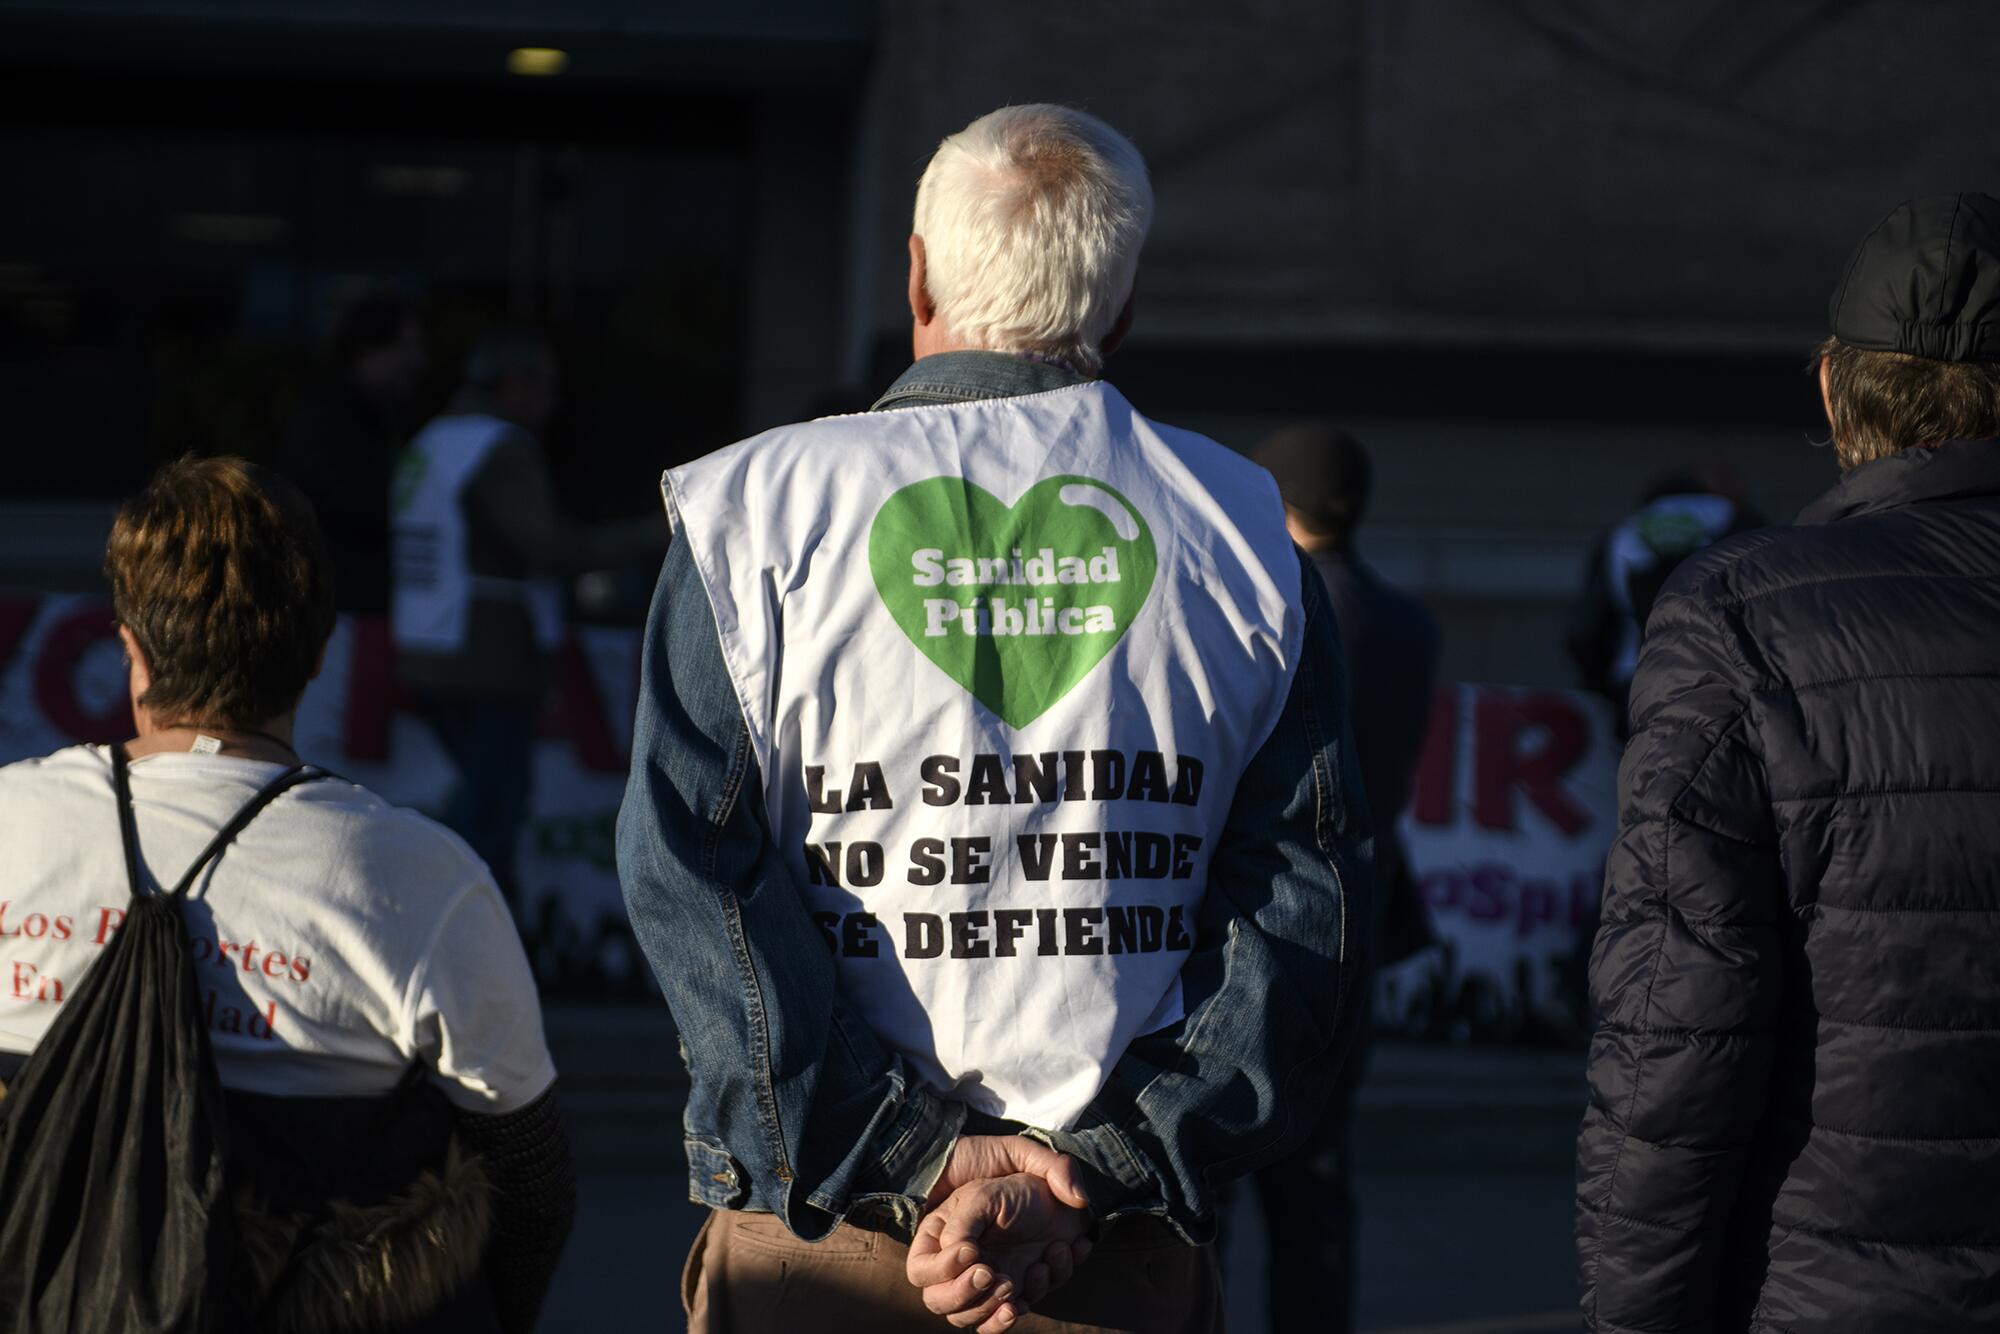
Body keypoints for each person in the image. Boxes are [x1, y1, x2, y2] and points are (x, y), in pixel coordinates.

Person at [618, 103, 1372, 1334]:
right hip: (1103, 1255)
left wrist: (904, 1149)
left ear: (912, 273)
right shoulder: (1242, 528)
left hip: (817, 1246)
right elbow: (1301, 893)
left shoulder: (746, 512)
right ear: (1118, 310)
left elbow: (687, 869)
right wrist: (1110, 1163)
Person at [0, 456, 574, 1331]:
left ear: (131, 650)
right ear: (318, 654)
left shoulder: (12, 819)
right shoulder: (422, 875)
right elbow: (529, 1176)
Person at [1576, 192, 2000, 1332]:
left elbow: (1678, 1024)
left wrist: (1636, 1311)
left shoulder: (1740, 614)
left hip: (1834, 1283)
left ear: (1829, 385)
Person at [1250, 423, 1439, 1333]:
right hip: (1358, 915)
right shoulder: (1407, 621)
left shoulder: (1266, 607)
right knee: (1317, 1182)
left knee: (1203, 1185)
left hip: (1258, 917)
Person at [392, 329, 666, 902]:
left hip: (427, 642)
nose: (553, 403)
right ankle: (468, 940)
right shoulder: (501, 445)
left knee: (471, 801)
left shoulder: (433, 439)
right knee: (492, 812)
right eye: (545, 387)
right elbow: (547, 547)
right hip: (488, 653)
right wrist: (652, 534)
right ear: (514, 385)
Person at [1565, 462, 1764, 736]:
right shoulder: (1744, 524)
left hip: (1640, 684)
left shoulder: (1622, 535)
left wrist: (1603, 687)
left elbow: (1584, 631)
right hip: (1727, 685)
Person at [277, 288, 429, 616]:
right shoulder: (329, 422)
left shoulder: (389, 418)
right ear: (367, 349)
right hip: (342, 607)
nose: (417, 361)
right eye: (406, 347)